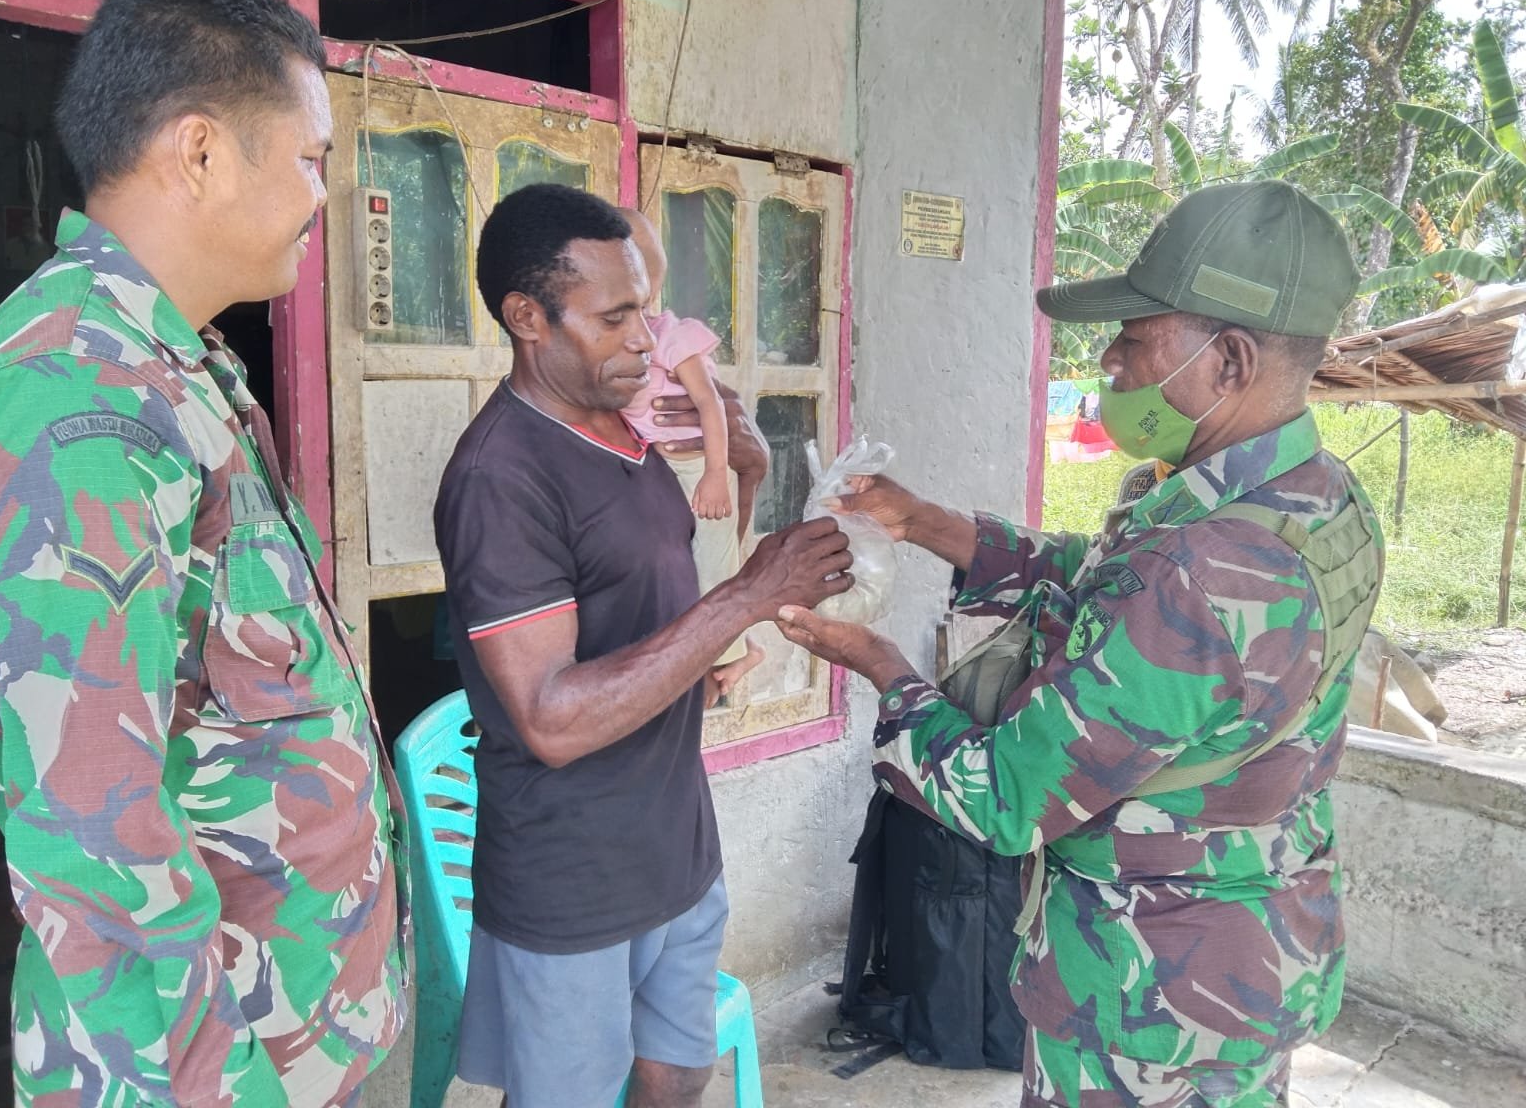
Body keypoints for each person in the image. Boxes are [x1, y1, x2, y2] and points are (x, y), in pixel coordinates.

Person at [777, 180, 1385, 1108]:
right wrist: (925, 522)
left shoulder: (1196, 568)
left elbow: (1007, 798)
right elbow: (1107, 581)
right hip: (1254, 950)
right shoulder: (1315, 500)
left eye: (1137, 337)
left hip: (1145, 999)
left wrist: (880, 666)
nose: (1110, 359)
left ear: (1229, 360)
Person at [0, 0, 406, 1108]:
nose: (322, 194)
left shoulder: (178, 363)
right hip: (217, 1073)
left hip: (302, 1023)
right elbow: (92, 829)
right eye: (310, 157)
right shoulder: (75, 393)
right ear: (200, 152)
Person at [433, 182, 852, 1108]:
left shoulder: (629, 429)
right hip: (574, 877)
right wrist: (746, 598)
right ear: (527, 318)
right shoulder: (502, 478)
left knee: (678, 1074)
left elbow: (665, 584)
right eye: (614, 318)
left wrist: (743, 466)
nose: (645, 340)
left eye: (648, 312)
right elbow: (550, 719)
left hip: (676, 843)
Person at [617, 207, 764, 695]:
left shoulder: (669, 336)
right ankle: (736, 653)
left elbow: (710, 403)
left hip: (699, 469)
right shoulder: (618, 351)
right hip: (668, 471)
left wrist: (717, 473)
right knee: (696, 569)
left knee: (715, 567)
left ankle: (741, 654)